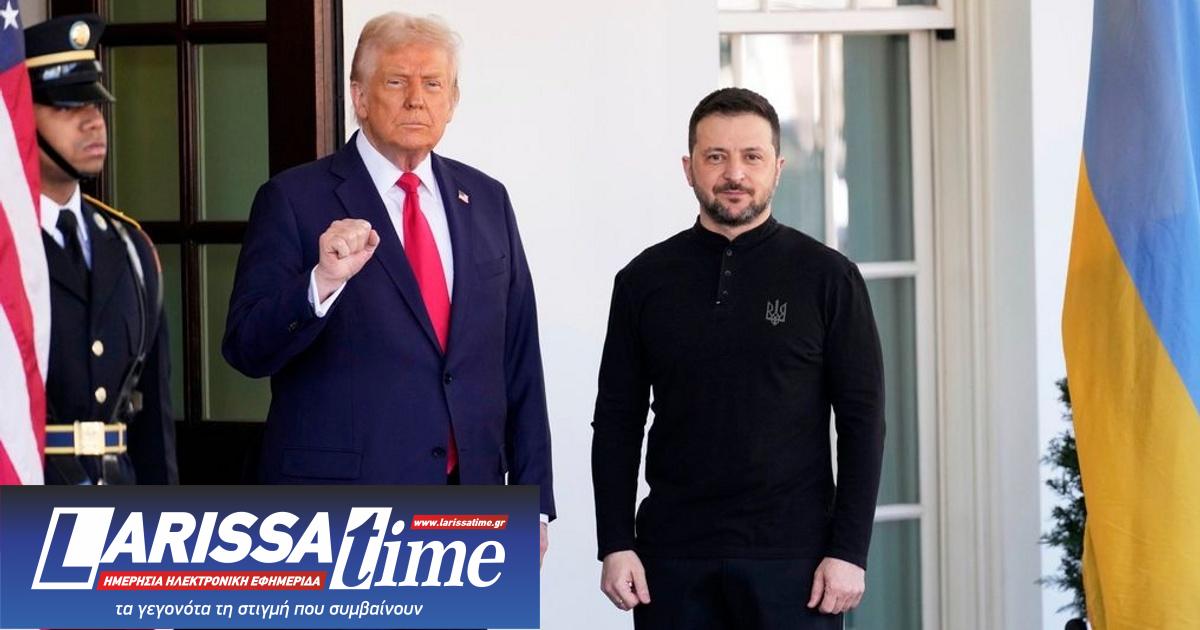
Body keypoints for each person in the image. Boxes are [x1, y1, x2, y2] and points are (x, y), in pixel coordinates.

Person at [222, 12, 554, 561]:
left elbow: (519, 356)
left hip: (471, 508)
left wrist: (533, 501)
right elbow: (245, 346)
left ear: (452, 100)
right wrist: (321, 283)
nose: (416, 100)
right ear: (359, 96)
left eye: (433, 84)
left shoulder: (487, 199)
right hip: (341, 517)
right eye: (397, 81)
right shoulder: (294, 199)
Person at [592, 87, 885, 628]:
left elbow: (862, 420)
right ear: (689, 168)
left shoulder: (828, 278)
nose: (735, 174)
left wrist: (849, 550)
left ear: (777, 168)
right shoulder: (642, 281)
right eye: (715, 156)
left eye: (752, 156)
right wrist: (615, 541)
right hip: (671, 560)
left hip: (796, 564)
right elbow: (616, 421)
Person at [26, 14, 177, 485]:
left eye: (94, 103)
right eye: (68, 106)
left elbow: (153, 425)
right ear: (18, 117)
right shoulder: (10, 245)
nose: (93, 121)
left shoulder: (131, 246)